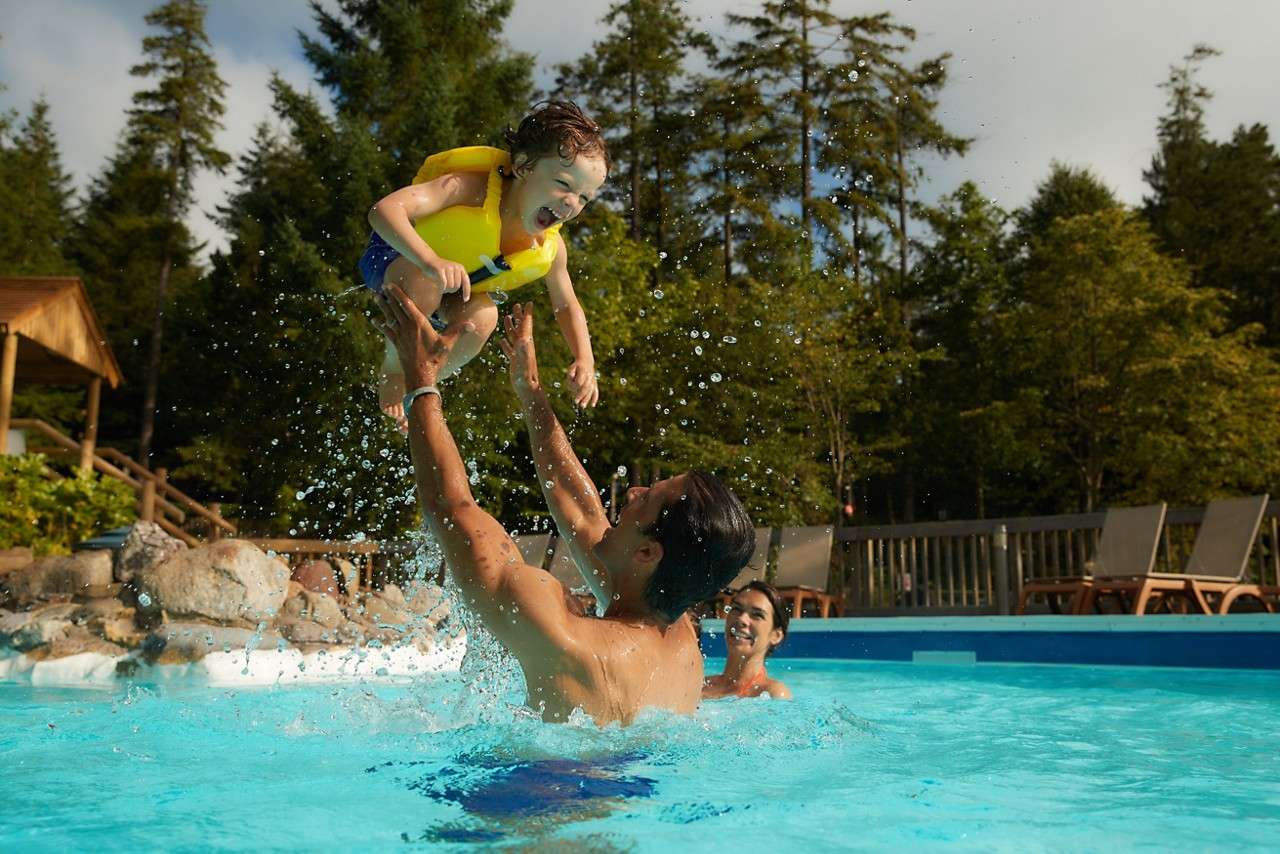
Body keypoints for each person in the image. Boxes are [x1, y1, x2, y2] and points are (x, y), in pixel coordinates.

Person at [371, 292, 756, 725]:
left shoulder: (564, 634)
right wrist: (531, 391)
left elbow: (451, 506)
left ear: (648, 552)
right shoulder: (683, 643)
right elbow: (582, 512)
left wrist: (421, 379)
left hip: (545, 771)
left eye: (647, 498)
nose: (633, 491)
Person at [360, 100, 609, 430]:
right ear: (523, 167)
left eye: (584, 198)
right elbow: (383, 211)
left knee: (483, 318)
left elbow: (566, 305)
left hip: (455, 286)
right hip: (398, 258)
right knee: (426, 283)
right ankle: (394, 369)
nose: (571, 203)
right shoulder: (469, 188)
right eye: (563, 184)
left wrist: (585, 358)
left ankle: (422, 381)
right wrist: (430, 260)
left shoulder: (549, 248)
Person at [702, 581, 792, 700]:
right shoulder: (699, 685)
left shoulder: (773, 694)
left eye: (757, 615)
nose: (741, 619)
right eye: (737, 609)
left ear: (776, 635)